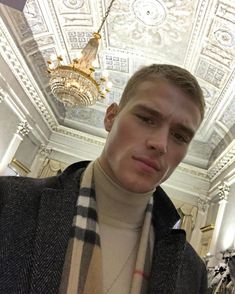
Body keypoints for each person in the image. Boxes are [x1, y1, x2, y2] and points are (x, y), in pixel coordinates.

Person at [0, 64, 207, 294]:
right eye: (147, 119)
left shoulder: (192, 272)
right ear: (111, 117)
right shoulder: (9, 202)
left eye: (179, 136)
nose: (160, 144)